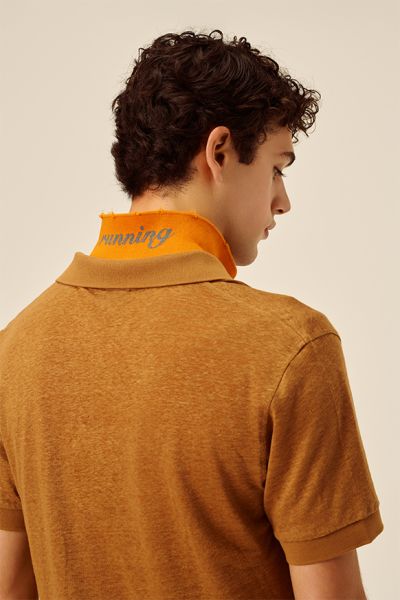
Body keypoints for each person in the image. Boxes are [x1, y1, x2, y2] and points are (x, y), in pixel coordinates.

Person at [0, 29, 383, 599]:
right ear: (220, 151)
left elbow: (10, 586)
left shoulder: (16, 349)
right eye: (278, 167)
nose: (283, 200)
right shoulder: (290, 347)